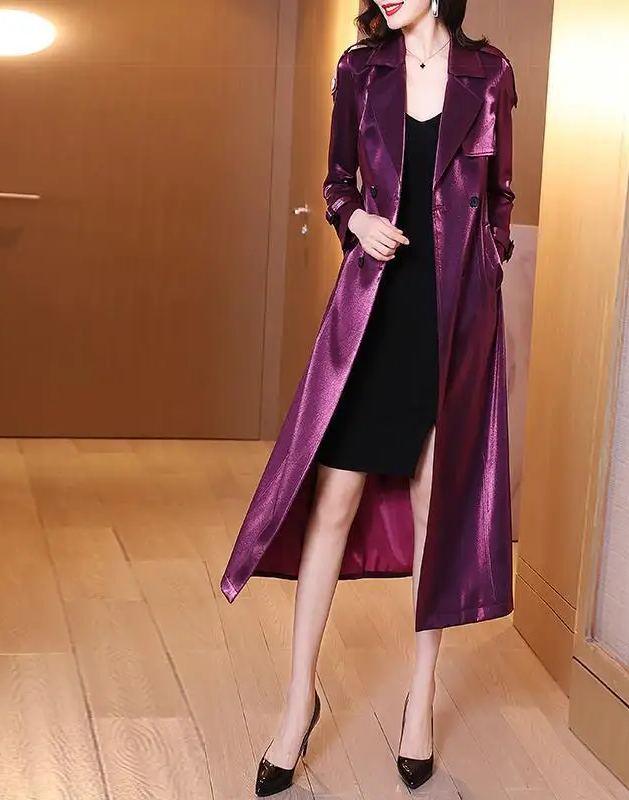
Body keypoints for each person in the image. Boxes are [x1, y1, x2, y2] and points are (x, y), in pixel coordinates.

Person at [221, 0, 517, 794]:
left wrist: (486, 269)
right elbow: (335, 182)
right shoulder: (360, 69)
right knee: (333, 503)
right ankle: (299, 701)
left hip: (452, 323)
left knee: (432, 509)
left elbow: (500, 198)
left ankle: (421, 698)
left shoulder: (489, 74)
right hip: (374, 311)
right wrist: (356, 220)